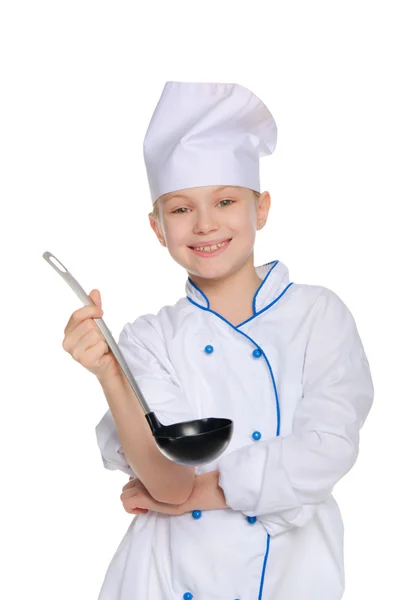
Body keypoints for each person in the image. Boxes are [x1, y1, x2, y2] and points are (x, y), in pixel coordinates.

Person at [62, 81, 374, 600]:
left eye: (225, 200)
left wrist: (206, 492)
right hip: (161, 577)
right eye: (181, 209)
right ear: (157, 228)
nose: (205, 224)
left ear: (262, 208)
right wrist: (110, 375)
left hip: (292, 579)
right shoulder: (148, 338)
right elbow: (169, 484)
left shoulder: (319, 316)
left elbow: (327, 449)